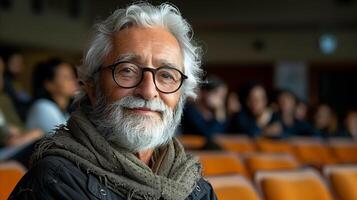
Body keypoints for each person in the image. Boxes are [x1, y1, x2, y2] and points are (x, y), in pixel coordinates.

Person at [10, 3, 216, 200]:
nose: (148, 91)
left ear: (181, 94)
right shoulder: (55, 181)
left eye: (167, 75)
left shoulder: (192, 184)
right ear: (92, 87)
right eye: (127, 70)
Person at [0, 56, 43, 166]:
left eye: (1, 74)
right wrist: (7, 133)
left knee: (41, 140)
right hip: (5, 149)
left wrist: (17, 133)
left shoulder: (4, 99)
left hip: (12, 145)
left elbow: (19, 127)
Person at [26, 58, 78, 134]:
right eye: (66, 77)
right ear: (49, 85)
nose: (74, 81)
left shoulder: (65, 111)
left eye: (73, 77)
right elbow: (67, 139)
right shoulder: (42, 106)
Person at [2, 50, 31, 120]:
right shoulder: (5, 81)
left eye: (20, 62)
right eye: (14, 62)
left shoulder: (17, 82)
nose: (18, 65)